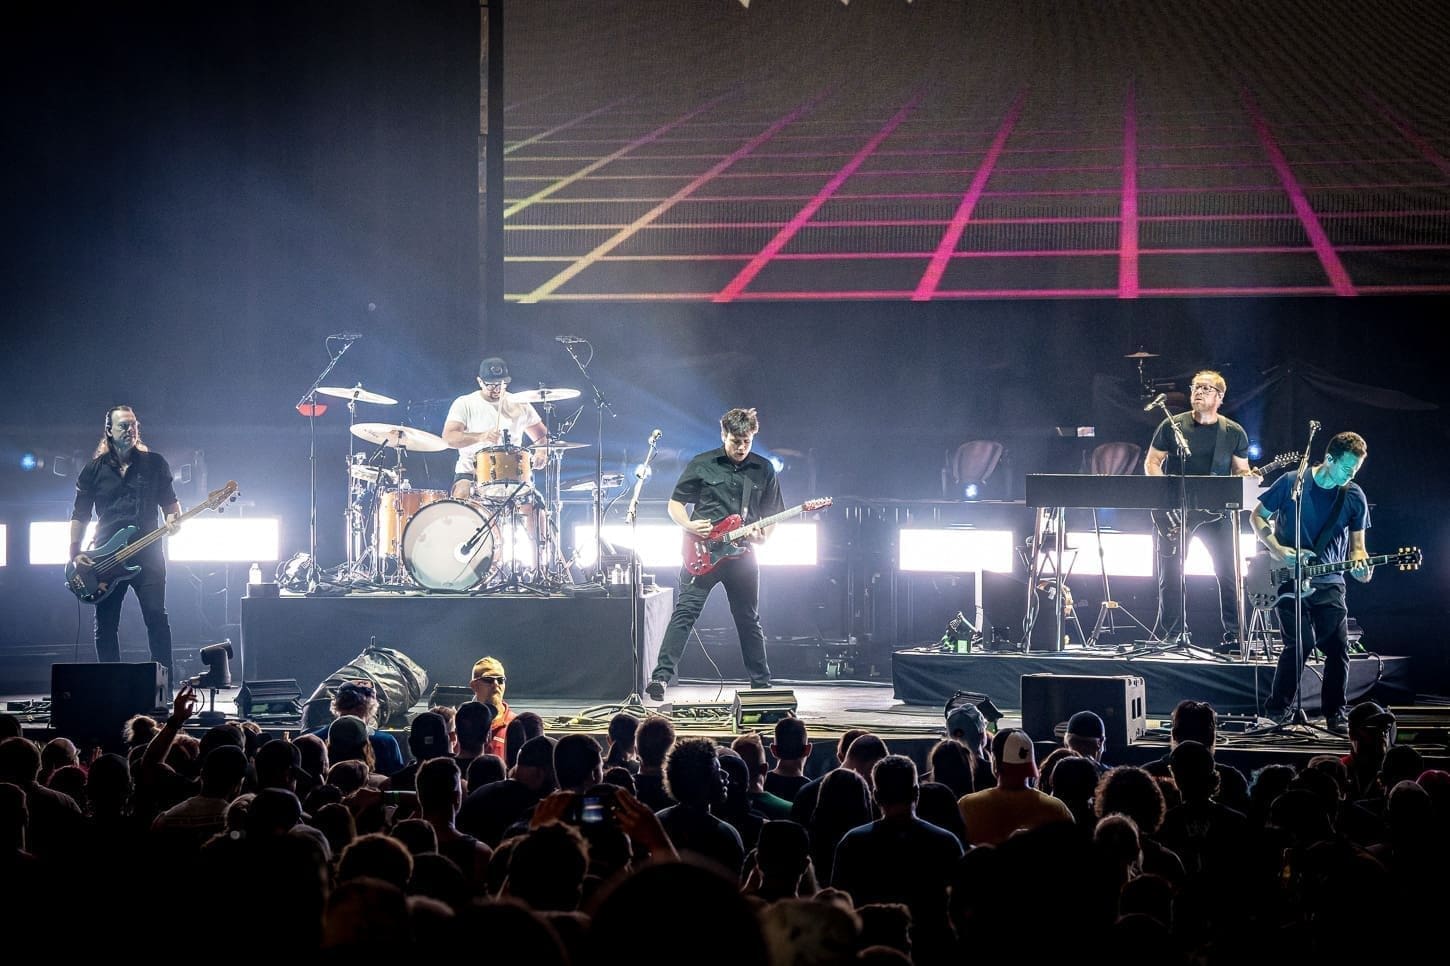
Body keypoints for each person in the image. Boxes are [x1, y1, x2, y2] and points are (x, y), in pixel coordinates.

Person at [647, 407, 784, 700]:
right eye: (736, 440)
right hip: (703, 552)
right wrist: (688, 523)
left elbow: (773, 514)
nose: (741, 447)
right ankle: (660, 678)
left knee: (748, 619)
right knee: (684, 613)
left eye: (746, 441)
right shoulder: (702, 463)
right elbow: (675, 504)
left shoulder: (764, 469)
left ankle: (761, 685)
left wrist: (763, 538)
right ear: (723, 435)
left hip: (743, 555)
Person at [1253, 432, 1371, 734]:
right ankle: (1276, 710)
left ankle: (1335, 713)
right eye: (1346, 468)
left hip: (1330, 580)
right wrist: (1278, 550)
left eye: (1355, 470)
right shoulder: (1293, 482)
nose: (1350, 475)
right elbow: (1257, 518)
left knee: (1338, 647)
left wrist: (1362, 566)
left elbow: (1358, 548)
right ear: (1329, 459)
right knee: (1299, 643)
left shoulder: (1354, 495)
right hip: (1287, 577)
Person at [69, 405, 183, 679]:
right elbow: (79, 515)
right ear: (109, 430)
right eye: (123, 425)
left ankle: (163, 687)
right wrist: (75, 552)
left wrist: (173, 521)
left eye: (133, 425)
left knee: (156, 617)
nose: (130, 430)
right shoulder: (93, 470)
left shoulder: (155, 464)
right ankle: (112, 684)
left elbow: (171, 505)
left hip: (149, 555)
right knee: (106, 624)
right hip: (106, 558)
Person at [1143, 370, 1251, 651]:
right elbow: (1152, 462)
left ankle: (1234, 636)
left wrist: (1250, 478)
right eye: (1195, 387)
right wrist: (1163, 496)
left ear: (1219, 397)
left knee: (1229, 574)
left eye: (1205, 388)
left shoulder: (1233, 433)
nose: (1198, 392)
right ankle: (1172, 634)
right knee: (1171, 573)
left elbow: (1241, 470)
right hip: (1177, 513)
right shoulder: (1171, 425)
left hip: (1217, 514)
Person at [441, 356, 550, 558]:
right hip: (470, 473)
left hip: (514, 477)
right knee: (462, 497)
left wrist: (542, 451)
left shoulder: (519, 403)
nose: (497, 389)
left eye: (501, 384)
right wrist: (481, 436)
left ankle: (537, 568)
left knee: (537, 509)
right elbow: (449, 438)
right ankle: (467, 561)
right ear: (479, 381)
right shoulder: (465, 403)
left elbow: (542, 436)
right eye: (490, 384)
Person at [468, 656, 516, 757]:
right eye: (488, 680)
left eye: (500, 680)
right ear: (474, 685)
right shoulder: (460, 723)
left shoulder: (516, 724)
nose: (495, 684)